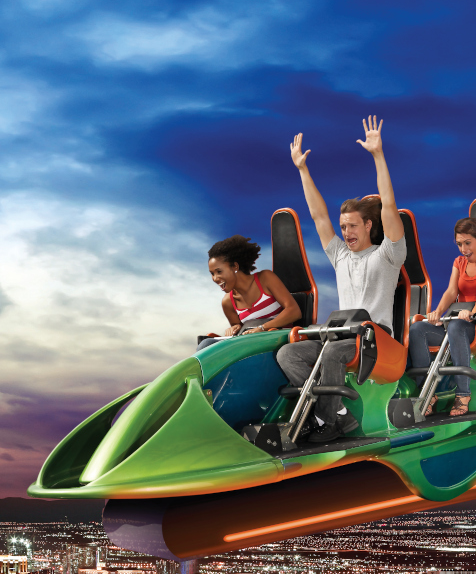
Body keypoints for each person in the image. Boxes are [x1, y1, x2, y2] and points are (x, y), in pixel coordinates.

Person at [277, 116, 406, 443]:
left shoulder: (388, 255)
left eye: (352, 226)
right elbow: (319, 215)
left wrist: (378, 156)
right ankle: (343, 416)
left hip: (375, 339)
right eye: (343, 226)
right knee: (288, 355)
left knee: (333, 355)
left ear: (368, 227)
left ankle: (326, 422)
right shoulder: (340, 255)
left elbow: (388, 205)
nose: (345, 232)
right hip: (341, 336)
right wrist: (303, 171)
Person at [409, 217, 476, 416]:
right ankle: (427, 393)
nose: (463, 249)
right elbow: (450, 291)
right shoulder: (459, 262)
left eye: (467, 243)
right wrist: (437, 312)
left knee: (456, 327)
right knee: (418, 329)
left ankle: (463, 394)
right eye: (459, 244)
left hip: (471, 322)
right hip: (457, 321)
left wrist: (471, 313)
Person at [197, 234, 301, 350]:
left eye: (219, 272)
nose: (215, 279)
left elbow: (294, 311)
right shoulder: (227, 302)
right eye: (212, 273)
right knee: (205, 345)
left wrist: (262, 328)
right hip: (251, 345)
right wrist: (234, 328)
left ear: (235, 266)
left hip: (278, 340)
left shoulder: (265, 278)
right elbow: (241, 329)